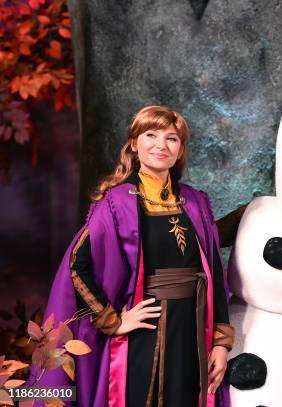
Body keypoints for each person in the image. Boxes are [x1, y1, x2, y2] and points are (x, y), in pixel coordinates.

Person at [35, 106, 233, 406]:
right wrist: (113, 321)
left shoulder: (196, 202)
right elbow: (77, 265)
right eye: (150, 135)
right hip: (144, 332)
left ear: (180, 150)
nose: (161, 145)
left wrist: (220, 342)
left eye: (172, 138)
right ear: (134, 144)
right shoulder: (116, 203)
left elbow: (214, 275)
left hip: (193, 330)